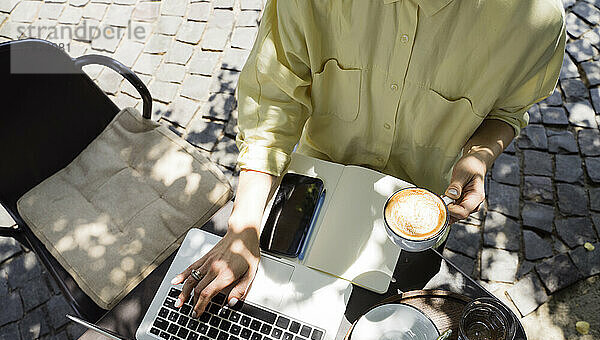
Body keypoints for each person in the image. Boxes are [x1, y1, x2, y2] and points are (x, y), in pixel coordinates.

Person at [171, 0, 566, 316]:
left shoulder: (536, 19)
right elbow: (272, 101)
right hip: (314, 191)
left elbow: (510, 111)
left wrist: (479, 157)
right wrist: (243, 230)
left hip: (419, 213)